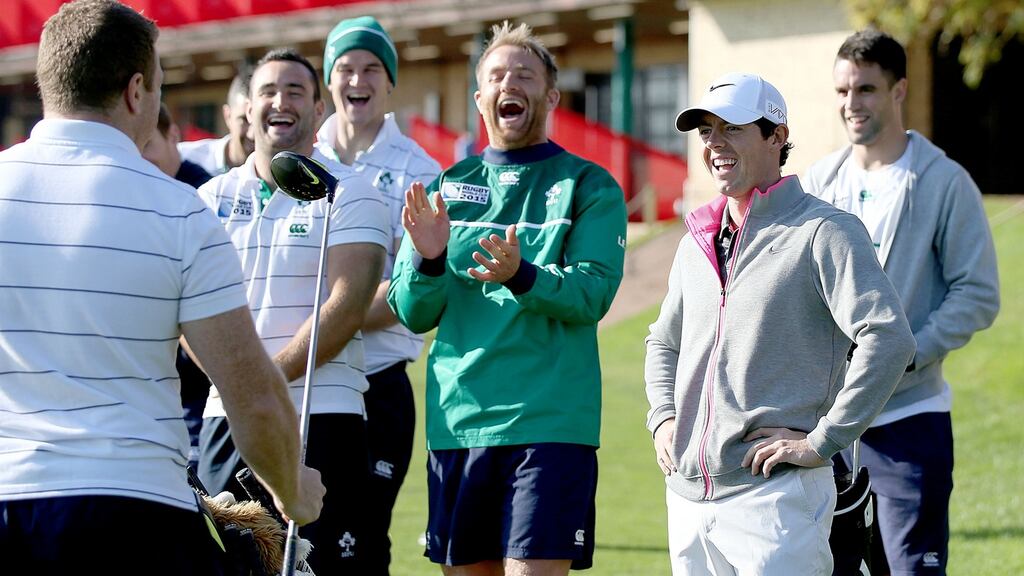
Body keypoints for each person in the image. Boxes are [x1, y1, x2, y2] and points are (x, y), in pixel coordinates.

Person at [0, 1, 323, 574]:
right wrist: (294, 490)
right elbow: (250, 392)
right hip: (135, 509)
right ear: (135, 92)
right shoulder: (179, 209)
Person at [644, 72, 917, 575]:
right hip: (686, 501)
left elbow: (888, 338)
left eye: (733, 129)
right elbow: (663, 341)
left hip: (774, 498)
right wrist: (662, 416)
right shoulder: (695, 241)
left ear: (777, 136)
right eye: (706, 131)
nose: (715, 144)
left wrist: (823, 441)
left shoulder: (825, 231)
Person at [388, 21, 627, 576]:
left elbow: (592, 293)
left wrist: (523, 276)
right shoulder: (448, 187)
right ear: (480, 99)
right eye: (496, 76)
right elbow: (411, 309)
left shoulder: (588, 185)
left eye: (524, 74)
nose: (508, 84)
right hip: (459, 421)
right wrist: (427, 259)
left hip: (549, 424)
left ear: (550, 95)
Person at [802, 29, 1000, 575]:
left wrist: (911, 350)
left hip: (911, 420)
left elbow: (978, 293)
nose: (851, 105)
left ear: (898, 90)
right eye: (842, 91)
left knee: (910, 570)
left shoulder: (944, 183)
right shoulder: (819, 184)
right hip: (831, 426)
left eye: (865, 89)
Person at [195, 47, 389, 574]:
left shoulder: (351, 193)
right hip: (225, 417)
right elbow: (186, 309)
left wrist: (258, 381)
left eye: (295, 91)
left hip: (324, 413)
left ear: (320, 108)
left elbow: (346, 307)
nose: (280, 101)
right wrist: (241, 386)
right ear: (247, 107)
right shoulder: (207, 199)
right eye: (267, 91)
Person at [316, 15, 442, 573]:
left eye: (371, 68)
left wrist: (323, 327)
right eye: (345, 68)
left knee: (365, 535)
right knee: (300, 535)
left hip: (379, 383)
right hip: (308, 383)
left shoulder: (420, 169)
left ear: (389, 82)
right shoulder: (302, 158)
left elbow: (408, 289)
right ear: (329, 80)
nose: (357, 79)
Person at [142, 101, 214, 471]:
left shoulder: (202, 195)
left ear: (173, 136)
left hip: (203, 384)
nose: (141, 158)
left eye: (148, 146)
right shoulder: (138, 192)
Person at [178, 71, 254, 175]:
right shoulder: (183, 159)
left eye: (260, 120)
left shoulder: (281, 170)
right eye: (244, 119)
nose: (253, 132)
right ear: (227, 116)